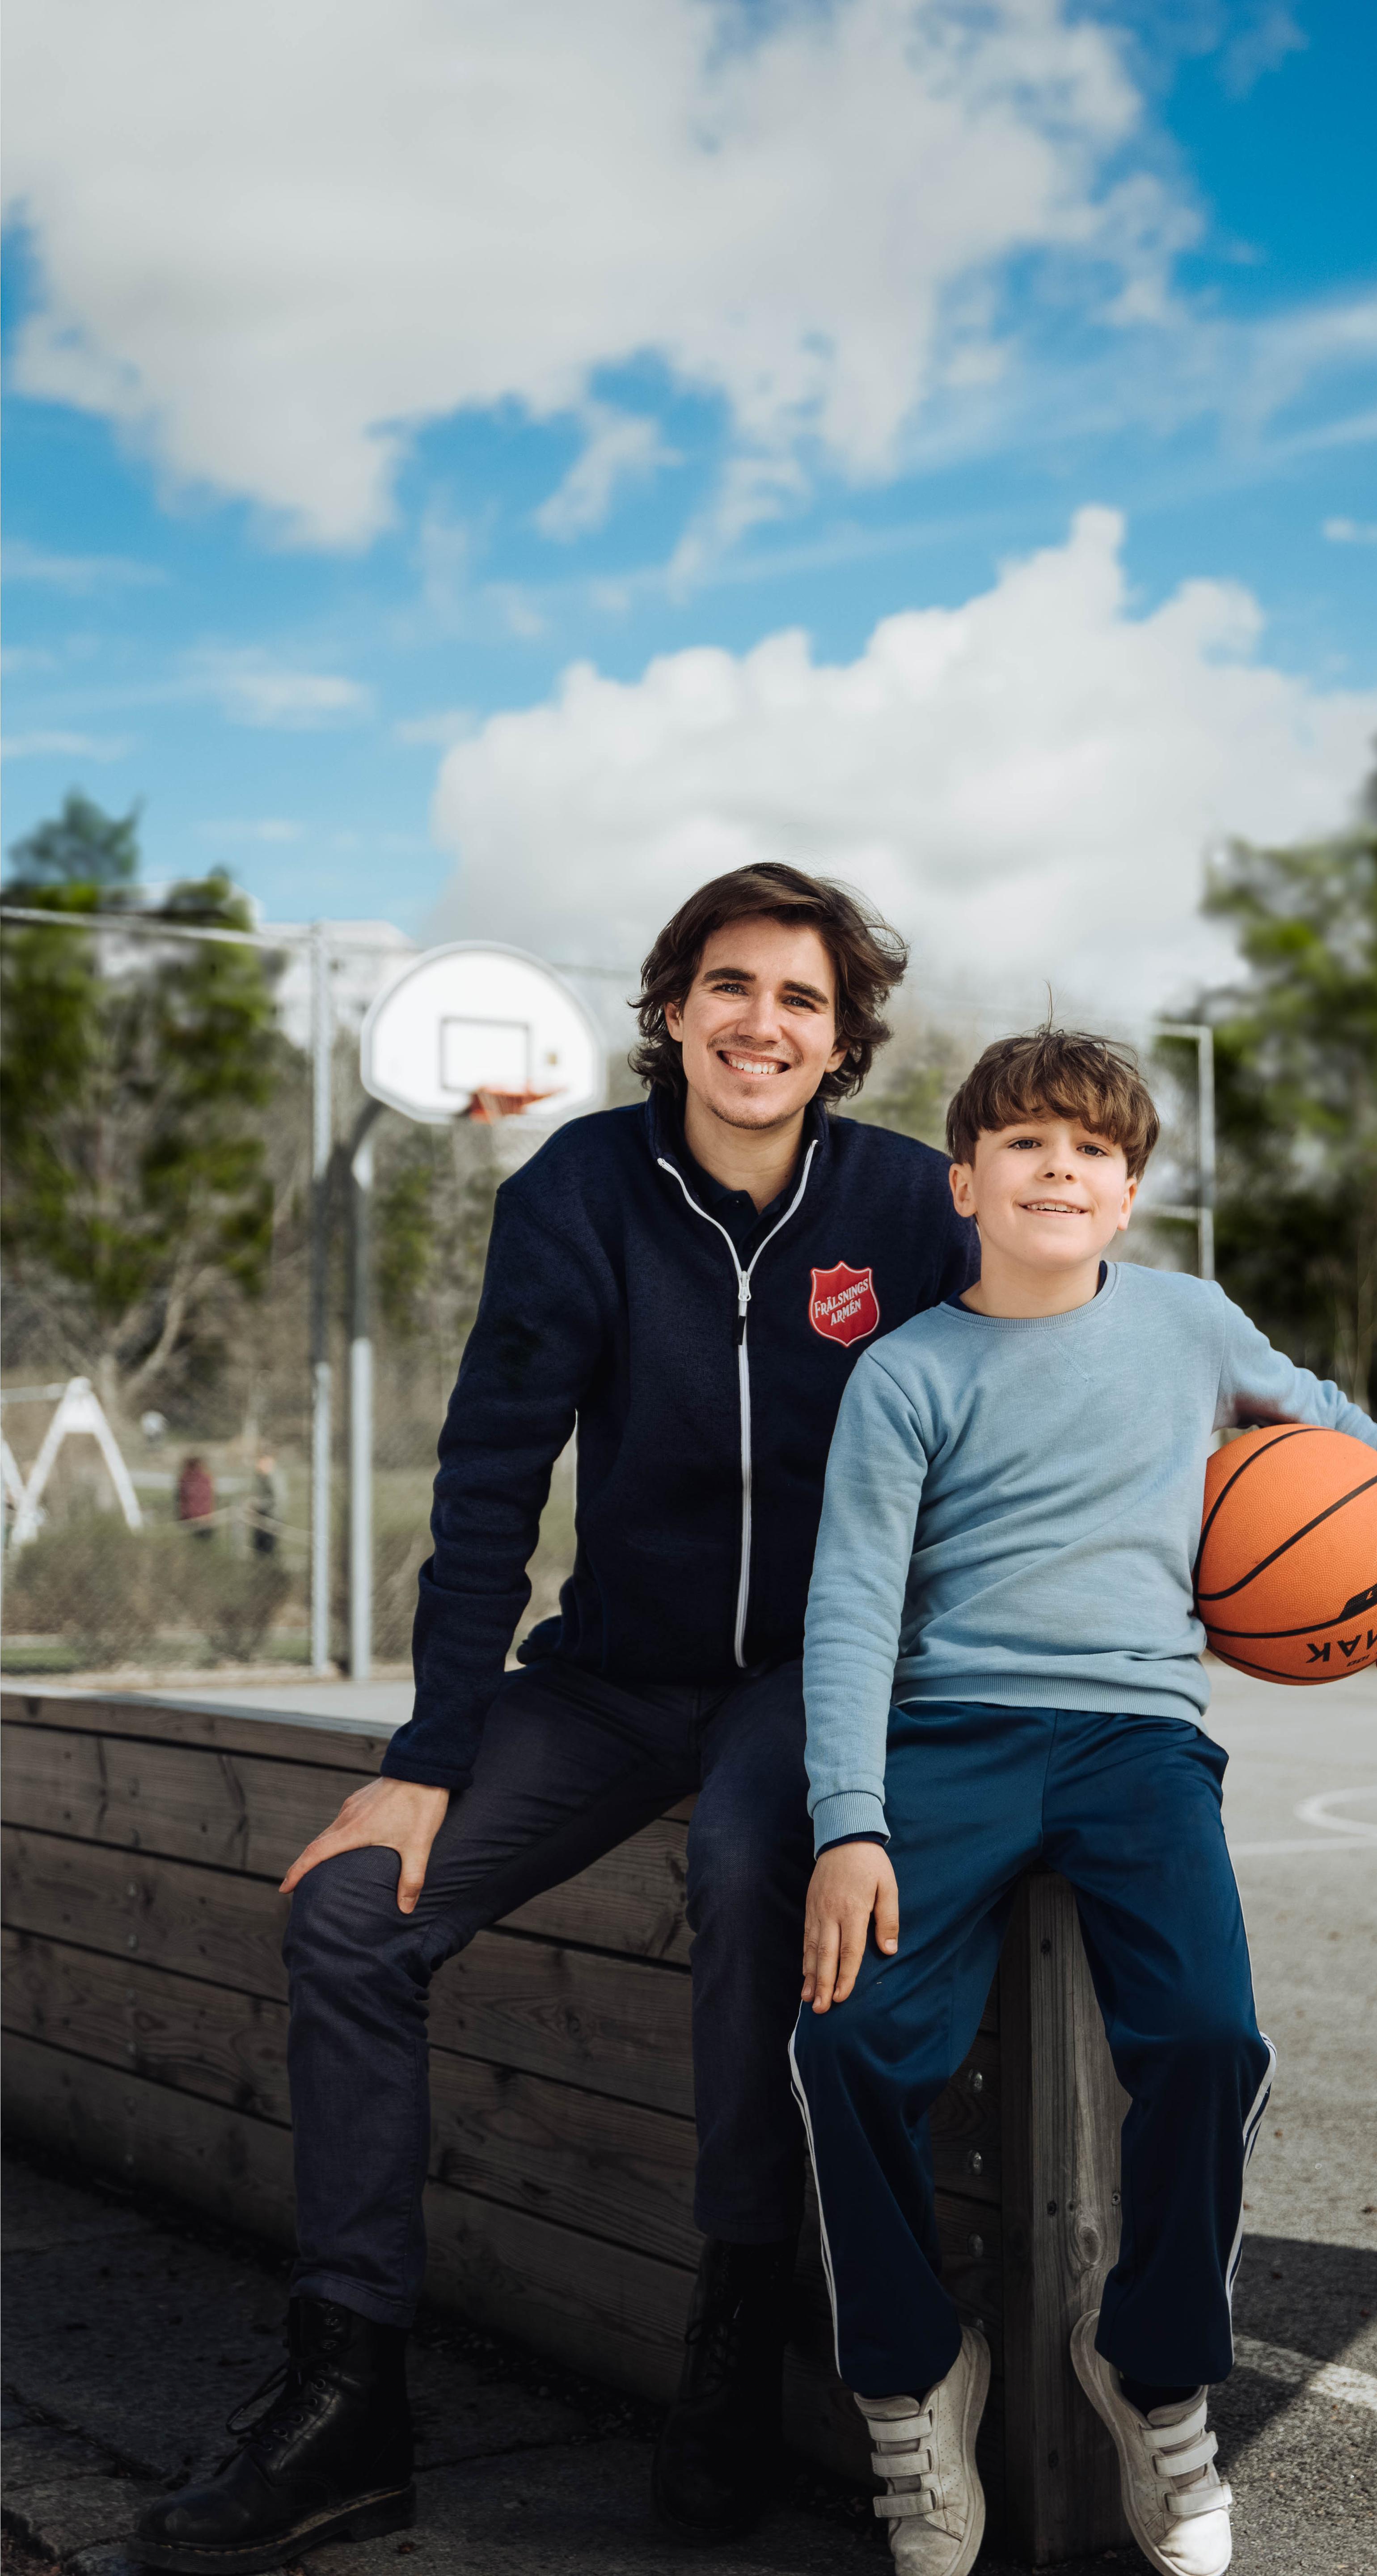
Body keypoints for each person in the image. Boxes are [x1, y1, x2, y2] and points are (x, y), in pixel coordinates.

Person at [135, 864, 977, 2576]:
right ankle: (346, 2390)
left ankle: (740, 2307)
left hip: (808, 1679)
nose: (762, 1023)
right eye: (729, 987)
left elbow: (1071, 1342)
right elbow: (490, 1476)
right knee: (353, 1918)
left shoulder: (908, 1204)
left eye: (801, 1000)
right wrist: (427, 1757)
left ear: (842, 1040)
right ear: (672, 1009)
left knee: (754, 1857)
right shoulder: (584, 1185)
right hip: (610, 1674)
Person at [790, 1029, 1377, 2576]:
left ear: (1132, 1192)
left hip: (1139, 1744)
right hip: (949, 1739)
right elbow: (848, 1608)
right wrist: (848, 1821)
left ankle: (1153, 2375)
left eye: (1092, 1151)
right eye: (1024, 1146)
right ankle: (914, 2380)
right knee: (844, 2040)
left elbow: (1346, 1438)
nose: (1058, 1170)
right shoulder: (908, 1373)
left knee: (1214, 2040)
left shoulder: (1189, 1323)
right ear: (964, 1182)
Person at [175, 1453, 215, 1540]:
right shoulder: (207, 1479)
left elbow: (180, 1500)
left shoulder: (185, 1479)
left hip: (190, 1520)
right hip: (206, 1520)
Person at [249, 1452, 282, 1557]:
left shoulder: (274, 1477)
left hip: (271, 1518)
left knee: (269, 1548)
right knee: (259, 1549)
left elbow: (278, 1499)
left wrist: (258, 1504)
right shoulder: (262, 1477)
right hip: (262, 1517)